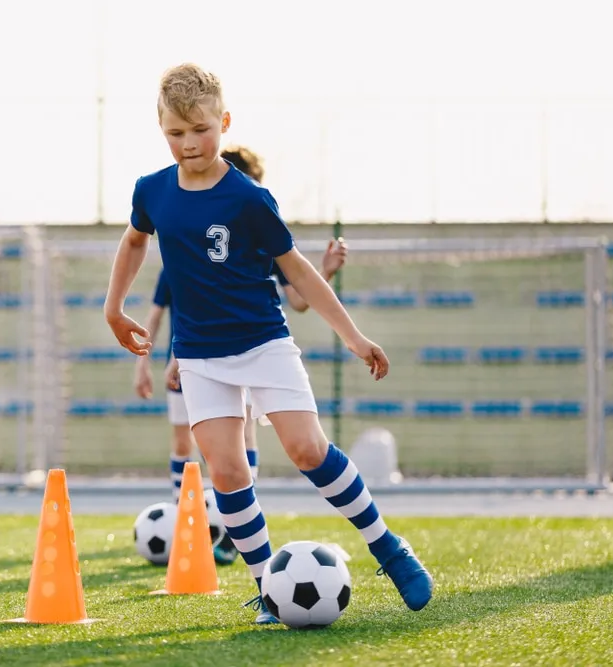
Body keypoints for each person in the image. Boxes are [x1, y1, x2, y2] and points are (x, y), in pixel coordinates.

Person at [104, 63, 433, 624]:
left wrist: (352, 335)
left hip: (264, 344)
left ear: (224, 123)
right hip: (201, 356)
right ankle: (267, 590)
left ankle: (386, 546)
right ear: (162, 131)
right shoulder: (151, 190)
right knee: (228, 473)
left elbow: (298, 272)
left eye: (201, 130)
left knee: (307, 450)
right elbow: (135, 241)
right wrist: (113, 308)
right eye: (175, 133)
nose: (189, 144)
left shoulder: (249, 199)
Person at [132, 145, 348, 565]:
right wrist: (154, 358)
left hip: (252, 348)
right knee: (193, 445)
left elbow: (298, 299)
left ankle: (234, 533)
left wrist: (327, 272)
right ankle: (193, 523)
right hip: (194, 358)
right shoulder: (181, 238)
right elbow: (158, 310)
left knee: (252, 440)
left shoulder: (258, 232)